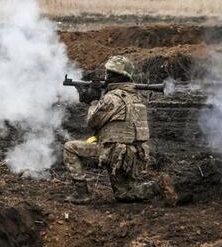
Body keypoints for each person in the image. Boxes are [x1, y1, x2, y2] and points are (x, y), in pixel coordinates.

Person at [63, 55, 173, 204]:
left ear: (115, 75)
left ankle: (82, 194)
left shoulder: (112, 98)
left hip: (115, 153)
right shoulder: (136, 98)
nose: (106, 76)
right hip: (133, 157)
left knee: (70, 148)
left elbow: (92, 122)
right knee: (124, 194)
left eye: (108, 73)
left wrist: (93, 101)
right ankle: (158, 186)